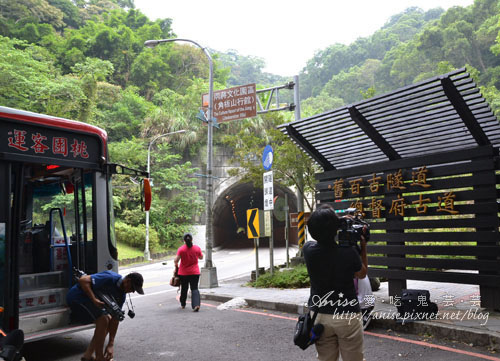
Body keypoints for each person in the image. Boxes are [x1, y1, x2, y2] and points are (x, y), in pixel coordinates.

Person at [303, 204, 368, 361]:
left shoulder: (308, 250)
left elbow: (322, 234)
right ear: (335, 228)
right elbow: (362, 274)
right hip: (347, 315)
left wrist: (333, 222)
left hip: (320, 315)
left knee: (325, 358)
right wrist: (363, 248)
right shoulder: (348, 252)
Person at [66, 270, 144, 361]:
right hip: (77, 297)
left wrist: (110, 344)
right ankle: (99, 357)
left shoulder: (121, 295)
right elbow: (83, 280)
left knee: (108, 319)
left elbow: (116, 318)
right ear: (128, 281)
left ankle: (88, 356)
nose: (133, 292)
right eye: (133, 288)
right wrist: (94, 299)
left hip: (89, 302)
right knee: (103, 320)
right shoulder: (111, 278)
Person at [174, 233, 203, 311]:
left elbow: (176, 260)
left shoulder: (181, 249)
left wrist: (176, 266)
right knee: (194, 288)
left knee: (184, 289)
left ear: (184, 241)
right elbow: (201, 257)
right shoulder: (197, 248)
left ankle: (183, 304)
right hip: (195, 273)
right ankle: (196, 305)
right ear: (192, 240)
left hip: (183, 273)